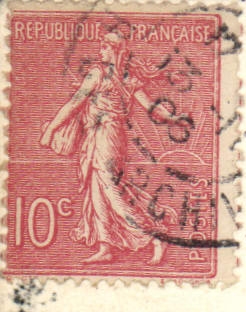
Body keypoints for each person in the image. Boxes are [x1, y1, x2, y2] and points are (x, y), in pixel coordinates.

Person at [39, 28, 185, 265]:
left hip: (106, 137)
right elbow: (151, 107)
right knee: (96, 191)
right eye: (102, 45)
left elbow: (74, 105)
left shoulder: (104, 75)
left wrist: (50, 129)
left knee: (110, 190)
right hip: (101, 137)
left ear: (117, 51)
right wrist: (171, 118)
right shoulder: (120, 76)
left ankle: (155, 236)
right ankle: (105, 246)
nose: (101, 50)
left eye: (106, 46)